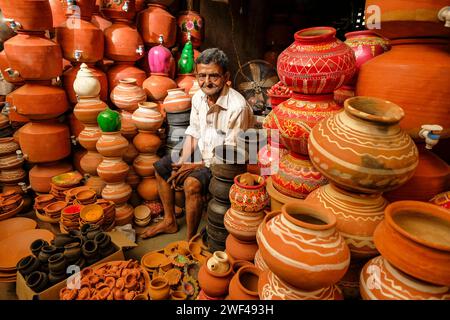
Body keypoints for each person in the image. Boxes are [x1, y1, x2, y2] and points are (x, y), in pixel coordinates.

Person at [140, 48, 254, 241]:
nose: (207, 82)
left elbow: (230, 155)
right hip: (205, 152)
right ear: (196, 75)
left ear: (226, 76)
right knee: (161, 167)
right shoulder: (198, 98)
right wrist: (182, 161)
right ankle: (169, 221)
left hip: (229, 162)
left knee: (192, 184)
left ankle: (190, 239)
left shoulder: (237, 107)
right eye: (202, 75)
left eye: (214, 76)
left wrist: (195, 166)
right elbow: (193, 131)